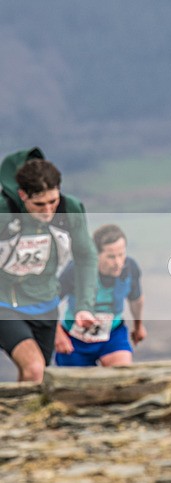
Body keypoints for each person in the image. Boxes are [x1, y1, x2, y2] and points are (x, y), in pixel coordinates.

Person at [0, 148, 97, 382]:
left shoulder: (70, 209)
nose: (47, 211)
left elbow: (86, 257)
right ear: (23, 196)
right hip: (5, 304)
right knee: (34, 367)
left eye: (52, 202)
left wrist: (84, 306)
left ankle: (18, 420)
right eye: (39, 204)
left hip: (45, 304)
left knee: (38, 377)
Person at [55, 224, 145, 367]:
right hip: (75, 339)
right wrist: (57, 334)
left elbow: (136, 300)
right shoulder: (75, 270)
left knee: (122, 375)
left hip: (112, 335)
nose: (118, 263)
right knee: (76, 386)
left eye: (121, 255)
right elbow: (48, 302)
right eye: (111, 257)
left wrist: (138, 326)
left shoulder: (130, 268)